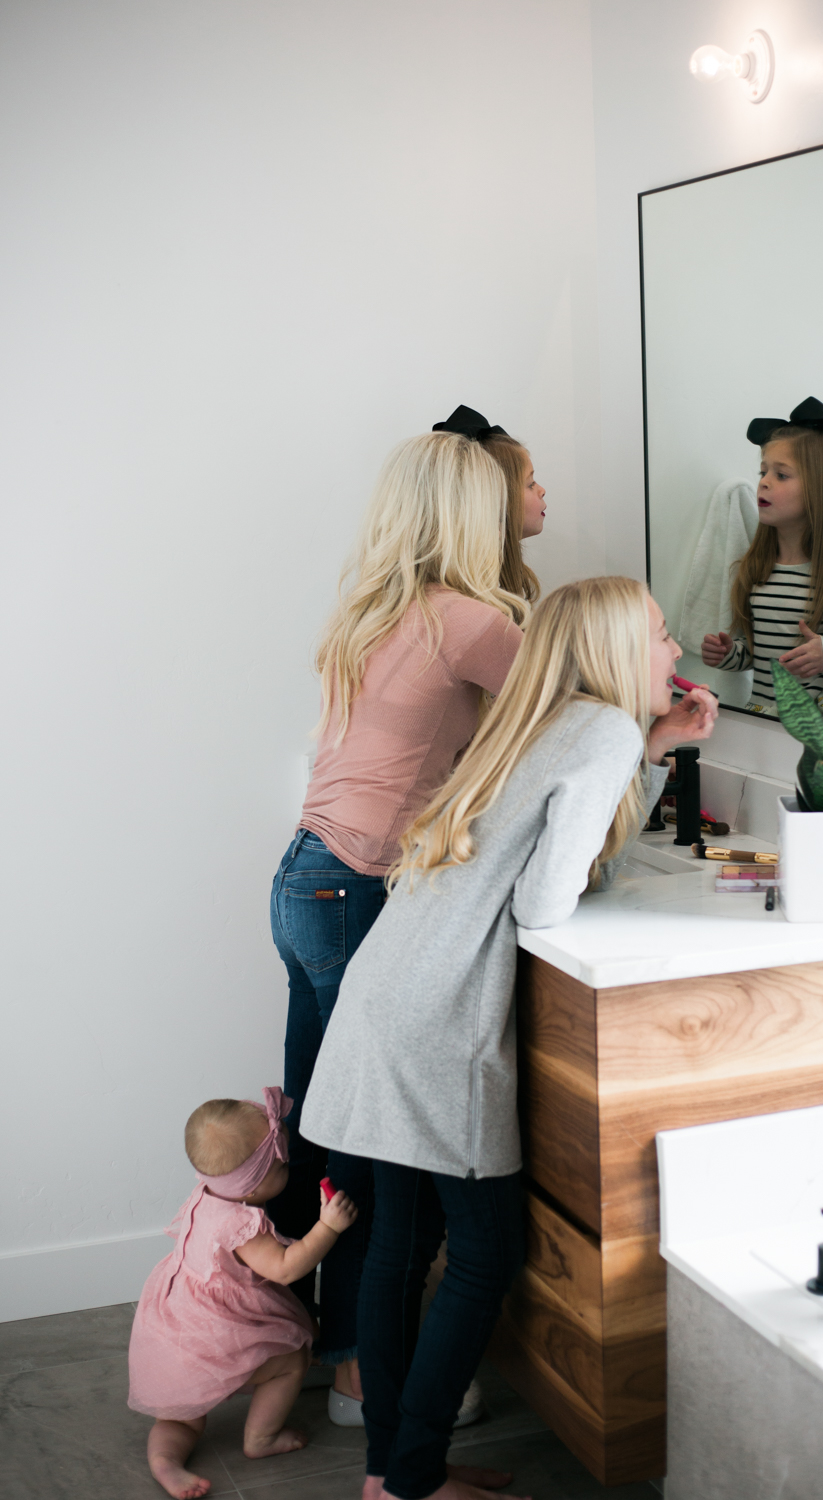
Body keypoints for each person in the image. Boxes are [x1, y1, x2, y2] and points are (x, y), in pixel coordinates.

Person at [300, 576, 717, 1500]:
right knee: (484, 1249)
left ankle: (391, 1474)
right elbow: (547, 901)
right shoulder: (600, 732)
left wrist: (651, 751)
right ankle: (409, 1478)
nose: (676, 650)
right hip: (436, 1016)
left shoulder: (546, 720)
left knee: (402, 1242)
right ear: (616, 647)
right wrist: (638, 751)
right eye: (659, 634)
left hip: (390, 985)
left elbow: (546, 859)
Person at [268, 428, 523, 1420]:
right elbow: (572, 714)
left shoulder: (371, 611)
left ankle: (297, 1347)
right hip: (359, 888)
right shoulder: (467, 620)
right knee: (370, 1140)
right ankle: (358, 1377)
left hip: (305, 878)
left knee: (319, 1125)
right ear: (469, 514)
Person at [128, 1087, 357, 1500]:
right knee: (291, 1359)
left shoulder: (205, 1193)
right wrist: (328, 1227)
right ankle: (261, 1438)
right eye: (282, 1164)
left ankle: (165, 1462)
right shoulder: (241, 1226)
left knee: (180, 1419)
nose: (288, 1166)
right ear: (253, 1186)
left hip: (177, 1329)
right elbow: (286, 1268)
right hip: (217, 1335)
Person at [701, 398, 823, 715]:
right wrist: (730, 654)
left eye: (781, 475)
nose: (763, 481)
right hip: (762, 716)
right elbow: (760, 653)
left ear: (821, 487)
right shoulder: (757, 567)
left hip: (822, 722)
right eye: (763, 471)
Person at [432, 403, 546, 613]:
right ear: (494, 501)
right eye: (530, 484)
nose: (542, 490)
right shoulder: (475, 614)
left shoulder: (492, 588)